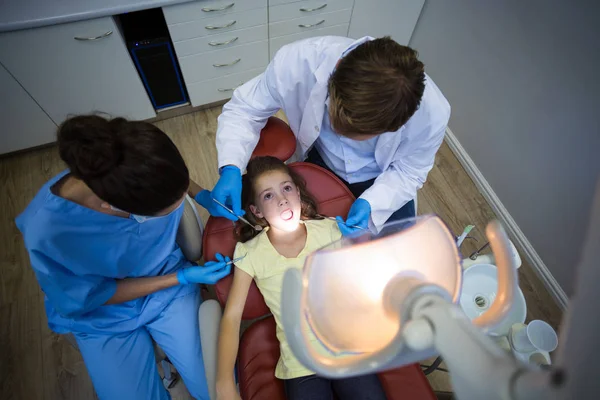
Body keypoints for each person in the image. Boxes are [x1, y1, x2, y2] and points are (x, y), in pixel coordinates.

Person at [16, 115, 235, 400]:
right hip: (103, 315)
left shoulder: (134, 157)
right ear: (114, 206)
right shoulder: (46, 231)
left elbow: (166, 177)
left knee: (216, 390)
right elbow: (91, 296)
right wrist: (180, 277)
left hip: (169, 293)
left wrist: (200, 193)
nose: (182, 203)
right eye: (168, 207)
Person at [212, 36, 450, 235]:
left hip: (382, 176)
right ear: (335, 71)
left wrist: (371, 203)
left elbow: (410, 171)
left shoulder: (432, 114)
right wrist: (231, 166)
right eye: (338, 123)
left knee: (400, 245)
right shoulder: (298, 62)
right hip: (319, 158)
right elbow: (244, 109)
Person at [215, 156, 386, 400]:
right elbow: (232, 318)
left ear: (297, 192)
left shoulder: (330, 230)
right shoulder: (250, 252)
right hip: (300, 363)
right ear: (256, 211)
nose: (282, 199)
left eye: (286, 188)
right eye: (268, 196)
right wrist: (225, 384)